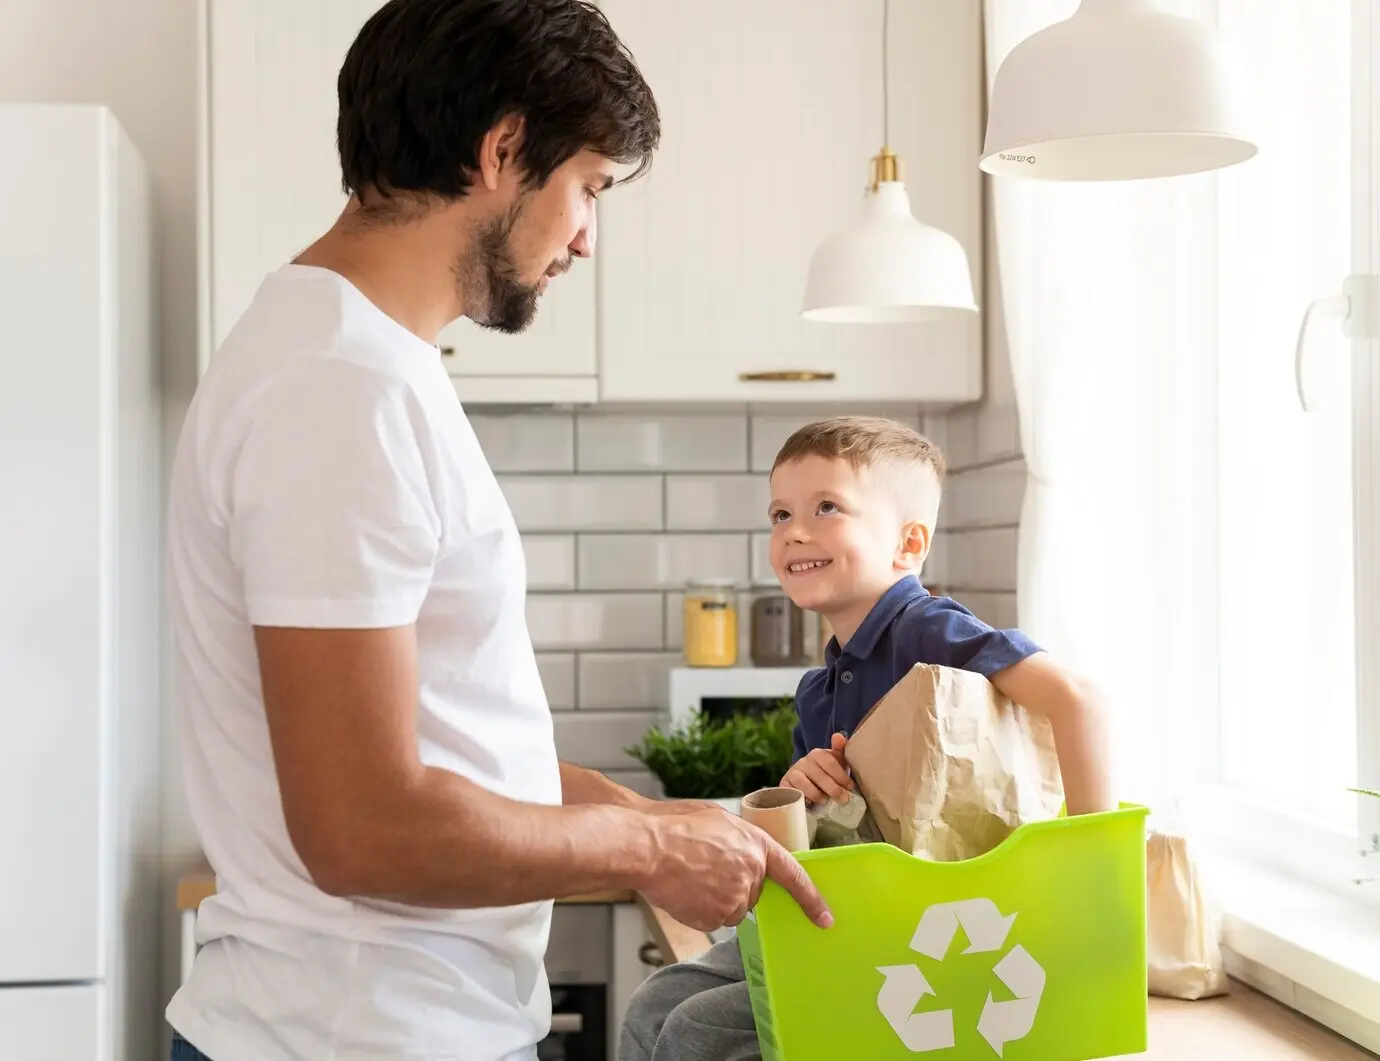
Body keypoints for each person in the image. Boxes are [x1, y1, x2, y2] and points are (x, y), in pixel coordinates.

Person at [163, 3, 829, 1060]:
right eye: (589, 188)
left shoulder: (362, 363)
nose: (587, 238)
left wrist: (662, 820)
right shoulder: (336, 389)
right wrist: (645, 846)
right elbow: (363, 824)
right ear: (503, 148)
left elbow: (451, 748)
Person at [618, 416, 1114, 1061]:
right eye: (779, 514)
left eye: (827, 508)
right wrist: (800, 790)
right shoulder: (817, 692)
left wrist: (1091, 879)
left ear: (909, 545)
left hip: (928, 935)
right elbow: (822, 841)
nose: (795, 530)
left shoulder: (926, 630)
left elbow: (1080, 700)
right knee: (654, 1003)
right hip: (849, 921)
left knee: (694, 1032)